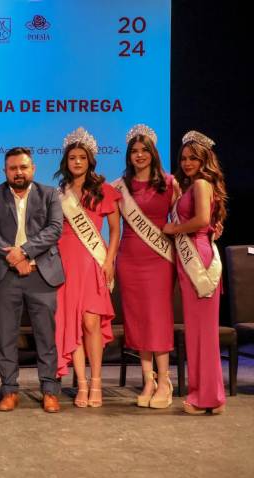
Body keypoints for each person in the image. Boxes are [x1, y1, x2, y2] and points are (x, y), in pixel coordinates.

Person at [0, 147, 64, 413]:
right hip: (5, 275)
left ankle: (50, 390)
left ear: (33, 169)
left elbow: (54, 229)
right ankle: (9, 390)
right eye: (13, 168)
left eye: (23, 167)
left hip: (41, 274)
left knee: (45, 336)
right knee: (6, 336)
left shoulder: (49, 193)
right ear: (5, 171)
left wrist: (25, 252)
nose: (18, 172)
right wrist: (14, 258)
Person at [54, 127, 121, 408]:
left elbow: (116, 231)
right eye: (73, 158)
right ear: (66, 162)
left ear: (90, 160)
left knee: (92, 322)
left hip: (93, 262)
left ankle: (96, 382)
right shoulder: (59, 194)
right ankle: (81, 384)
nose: (77, 162)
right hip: (66, 262)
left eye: (82, 157)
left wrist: (109, 261)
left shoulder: (104, 191)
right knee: (75, 325)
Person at [113, 125, 179, 408]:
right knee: (137, 319)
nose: (139, 155)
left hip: (159, 259)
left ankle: (164, 380)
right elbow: (114, 229)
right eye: (134, 151)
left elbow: (183, 218)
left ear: (153, 153)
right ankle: (147, 379)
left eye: (144, 151)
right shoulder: (120, 187)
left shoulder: (169, 183)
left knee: (158, 317)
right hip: (129, 258)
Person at [162, 130, 227, 415]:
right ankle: (205, 393)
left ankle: (207, 397)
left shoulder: (201, 184)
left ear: (204, 160)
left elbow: (201, 220)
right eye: (184, 158)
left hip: (198, 259)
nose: (187, 162)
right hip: (192, 257)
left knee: (204, 333)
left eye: (193, 158)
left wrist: (173, 229)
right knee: (198, 332)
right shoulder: (192, 186)